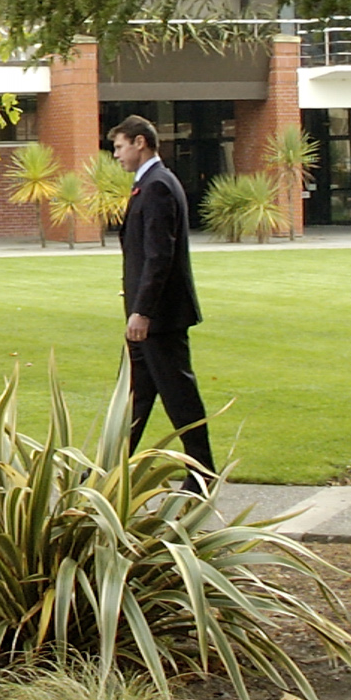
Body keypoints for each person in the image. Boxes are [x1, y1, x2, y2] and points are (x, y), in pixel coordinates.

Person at [110, 114, 215, 487]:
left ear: (140, 142)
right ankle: (111, 471)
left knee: (179, 396)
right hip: (149, 317)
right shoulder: (151, 184)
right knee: (135, 399)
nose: (117, 155)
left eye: (120, 147)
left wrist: (142, 310)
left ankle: (202, 473)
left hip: (158, 319)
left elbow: (160, 256)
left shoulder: (157, 186)